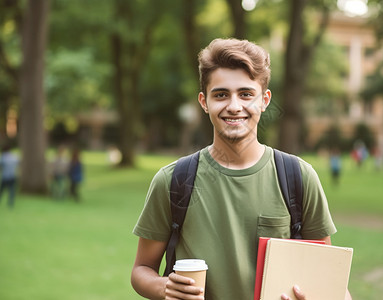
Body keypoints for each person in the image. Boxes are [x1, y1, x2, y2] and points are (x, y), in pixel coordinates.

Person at [131, 38, 352, 300]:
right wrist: (163, 287)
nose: (234, 106)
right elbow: (142, 269)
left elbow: (329, 283)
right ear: (204, 102)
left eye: (246, 94)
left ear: (264, 100)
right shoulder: (173, 180)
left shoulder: (299, 178)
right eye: (221, 94)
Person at [0, 144, 20, 209]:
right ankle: (10, 203)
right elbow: (18, 163)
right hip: (12, 176)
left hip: (5, 176)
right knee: (12, 190)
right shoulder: (14, 157)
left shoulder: (3, 157)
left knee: (2, 190)